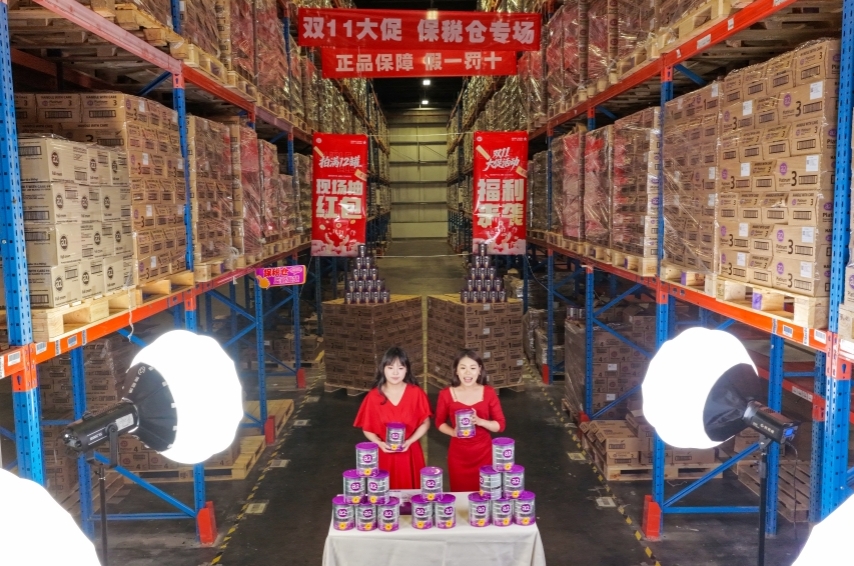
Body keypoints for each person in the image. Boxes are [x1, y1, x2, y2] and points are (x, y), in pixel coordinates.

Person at [353, 346, 431, 489]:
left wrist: (410, 441)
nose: (395, 372)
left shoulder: (416, 393)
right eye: (390, 367)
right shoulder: (373, 396)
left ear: (406, 370)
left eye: (400, 368)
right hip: (384, 454)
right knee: (383, 496)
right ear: (383, 369)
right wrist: (379, 443)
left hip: (410, 452)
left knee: (412, 496)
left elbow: (425, 422)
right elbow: (367, 428)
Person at [435, 350, 507, 492]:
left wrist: (481, 421)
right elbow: (439, 423)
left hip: (484, 454)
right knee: (460, 494)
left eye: (472, 368)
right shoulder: (446, 394)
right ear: (456, 371)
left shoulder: (489, 392)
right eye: (463, 368)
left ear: (479, 370)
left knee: (485, 495)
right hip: (458, 456)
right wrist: (453, 432)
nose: (468, 373)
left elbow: (500, 425)